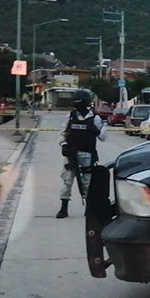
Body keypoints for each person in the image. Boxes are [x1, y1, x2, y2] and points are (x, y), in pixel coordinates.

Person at [57, 90, 106, 219]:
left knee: (87, 183)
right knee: (67, 181)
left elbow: (103, 137)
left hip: (87, 154)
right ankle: (63, 208)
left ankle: (89, 209)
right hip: (72, 154)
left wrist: (98, 128)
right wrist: (64, 145)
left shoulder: (95, 118)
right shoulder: (71, 116)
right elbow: (63, 133)